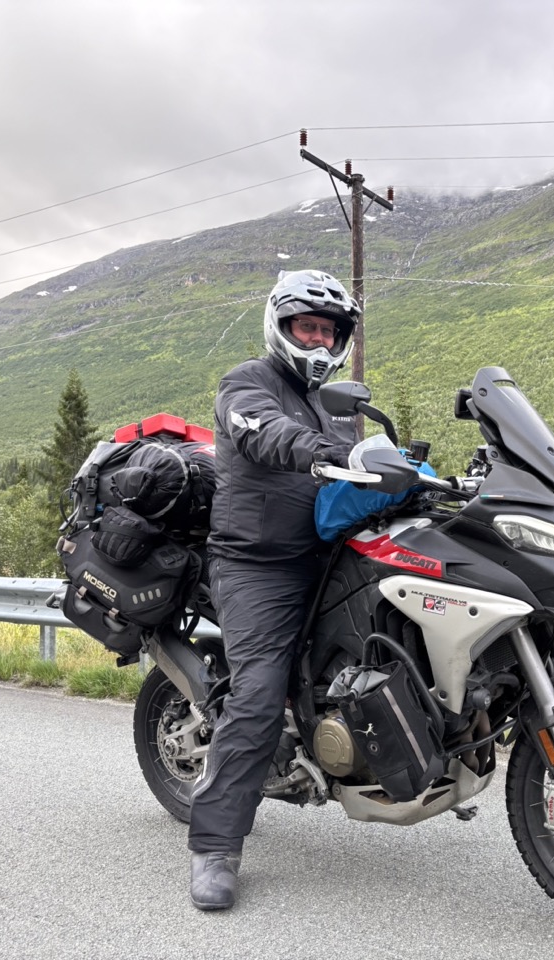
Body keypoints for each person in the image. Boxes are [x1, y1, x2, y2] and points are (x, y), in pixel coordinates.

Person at [187, 269, 361, 910]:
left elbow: (359, 475)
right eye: (306, 327)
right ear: (282, 327)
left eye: (328, 331)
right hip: (257, 564)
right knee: (259, 693)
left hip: (329, 558)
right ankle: (216, 847)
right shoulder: (246, 383)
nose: (318, 340)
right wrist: (327, 453)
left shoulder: (338, 405)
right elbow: (264, 433)